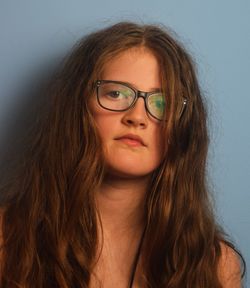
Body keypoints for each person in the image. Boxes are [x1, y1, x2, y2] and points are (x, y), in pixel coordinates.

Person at [0, 21, 245, 288]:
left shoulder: (217, 265)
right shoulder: (7, 241)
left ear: (183, 127)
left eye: (161, 103)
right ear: (76, 107)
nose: (137, 117)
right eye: (116, 93)